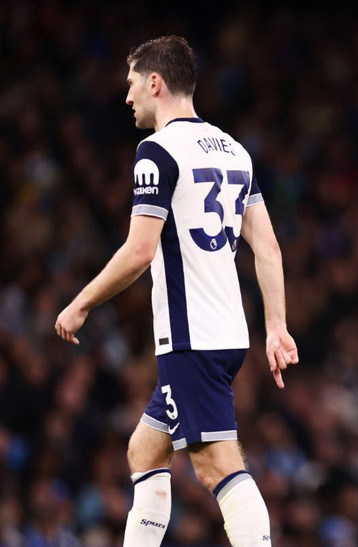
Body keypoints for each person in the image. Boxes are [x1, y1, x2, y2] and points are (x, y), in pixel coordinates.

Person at [54, 35, 298, 547]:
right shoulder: (236, 151)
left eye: (132, 85)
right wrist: (276, 327)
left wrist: (82, 303)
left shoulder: (156, 153)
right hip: (229, 332)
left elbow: (140, 251)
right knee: (145, 451)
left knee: (216, 467)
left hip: (192, 338)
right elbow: (269, 249)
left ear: (155, 83)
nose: (127, 97)